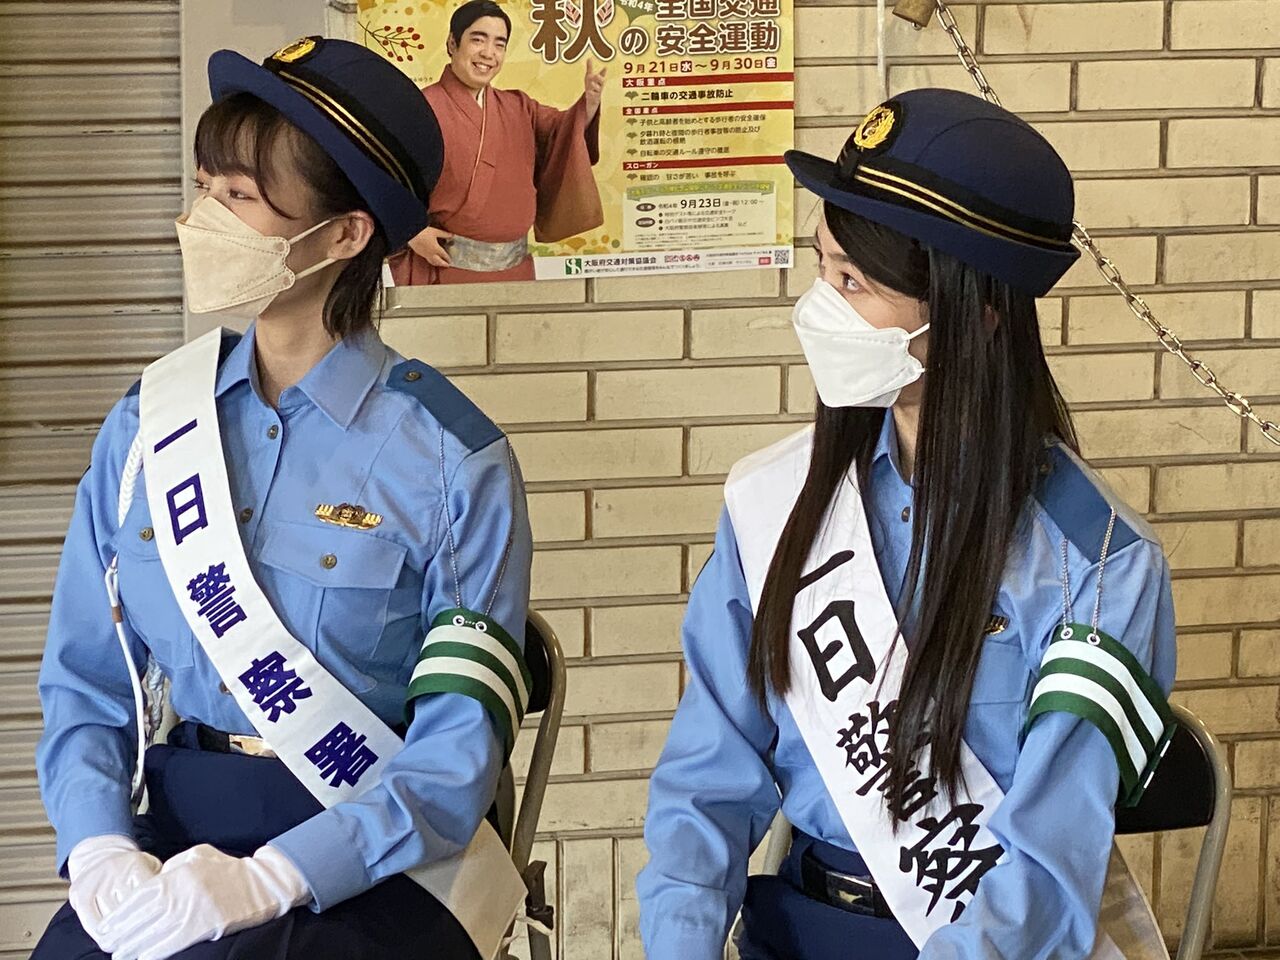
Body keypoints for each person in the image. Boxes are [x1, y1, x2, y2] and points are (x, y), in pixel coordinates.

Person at [636, 88, 1178, 960]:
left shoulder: (1101, 564)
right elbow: (709, 778)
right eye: (822, 268)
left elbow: (1045, 877)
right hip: (797, 923)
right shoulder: (779, 503)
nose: (820, 308)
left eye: (853, 282)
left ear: (976, 312)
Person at [33, 35, 533, 960]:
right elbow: (86, 680)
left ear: (344, 236)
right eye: (204, 189)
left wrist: (276, 878)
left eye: (240, 198)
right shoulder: (148, 427)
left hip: (369, 850)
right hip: (172, 826)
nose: (201, 220)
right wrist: (98, 848)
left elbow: (456, 754)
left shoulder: (453, 462)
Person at [388, 0, 606, 286]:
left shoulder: (520, 107)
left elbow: (561, 133)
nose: (488, 53)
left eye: (499, 44)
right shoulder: (420, 108)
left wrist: (588, 106)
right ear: (453, 43)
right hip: (445, 269)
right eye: (478, 40)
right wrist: (411, 233)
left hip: (515, 272)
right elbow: (380, 179)